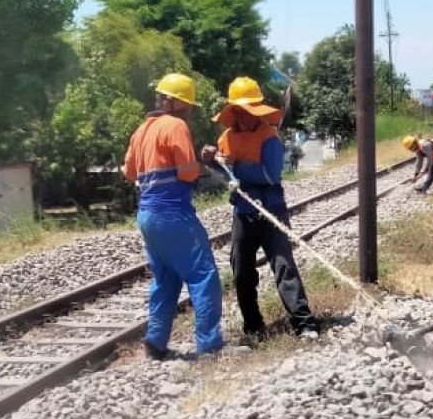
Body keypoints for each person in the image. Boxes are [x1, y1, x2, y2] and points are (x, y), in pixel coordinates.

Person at [201, 77, 320, 341]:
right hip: (243, 212)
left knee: (283, 265)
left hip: (272, 210)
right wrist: (211, 162)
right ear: (233, 112)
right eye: (239, 110)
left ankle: (304, 323)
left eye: (248, 110)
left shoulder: (270, 137)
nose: (244, 115)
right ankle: (254, 327)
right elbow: (224, 175)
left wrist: (236, 164)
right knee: (241, 269)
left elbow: (271, 175)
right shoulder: (226, 138)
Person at [123, 73, 224, 361]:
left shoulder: (141, 130)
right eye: (188, 104)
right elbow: (187, 171)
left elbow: (130, 173)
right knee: (203, 275)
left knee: (165, 280)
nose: (190, 110)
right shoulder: (175, 126)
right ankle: (210, 347)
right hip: (172, 212)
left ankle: (155, 343)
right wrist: (206, 168)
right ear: (173, 102)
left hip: (147, 215)